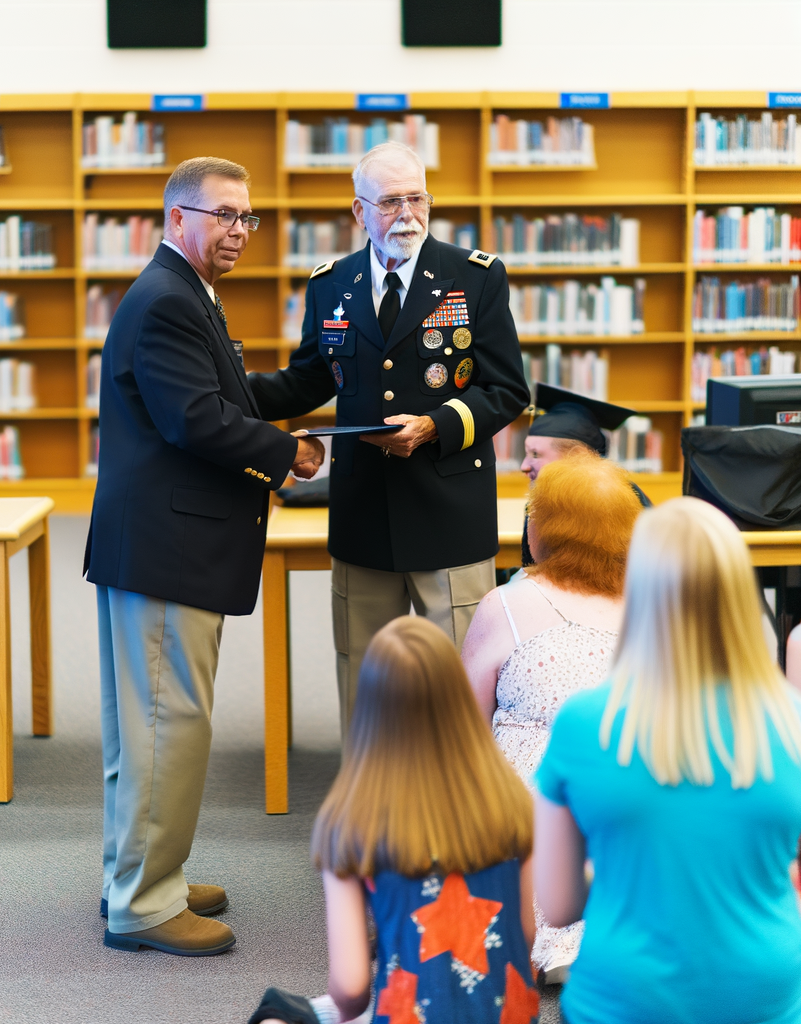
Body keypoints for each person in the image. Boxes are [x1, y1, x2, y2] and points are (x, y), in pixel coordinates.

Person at [83, 157, 324, 958]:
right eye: (224, 215)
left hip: (157, 544)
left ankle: (143, 873)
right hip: (165, 549)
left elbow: (229, 395)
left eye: (247, 217)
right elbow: (196, 421)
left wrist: (315, 380)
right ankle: (145, 905)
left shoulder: (183, 294)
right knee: (165, 725)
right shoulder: (166, 302)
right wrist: (282, 455)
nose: (239, 231)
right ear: (178, 217)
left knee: (147, 729)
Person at [249, 141, 529, 739]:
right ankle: (370, 805)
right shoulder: (331, 284)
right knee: (364, 672)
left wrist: (434, 426)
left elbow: (507, 390)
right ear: (359, 211)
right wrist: (223, 386)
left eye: (418, 198)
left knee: (461, 676)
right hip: (364, 510)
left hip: (448, 508)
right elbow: (309, 378)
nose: (408, 213)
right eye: (391, 201)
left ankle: (460, 807)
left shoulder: (474, 277)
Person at [535, 496, 801, 1024]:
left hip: (623, 995)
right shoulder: (791, 722)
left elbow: (559, 903)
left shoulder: (586, 722)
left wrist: (629, 864)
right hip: (762, 995)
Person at [249, 616, 538, 1024]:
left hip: (406, 1014)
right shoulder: (511, 801)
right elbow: (525, 935)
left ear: (370, 709)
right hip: (507, 1014)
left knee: (278, 1015)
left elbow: (350, 990)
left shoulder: (351, 822)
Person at [463, 452, 642, 983]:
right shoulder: (652, 606)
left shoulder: (508, 604)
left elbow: (465, 726)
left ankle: (539, 937)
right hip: (626, 796)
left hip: (527, 804)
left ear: (544, 528)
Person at [519, 383, 651, 567]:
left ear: (578, 456)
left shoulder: (625, 507)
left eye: (535, 454)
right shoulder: (541, 504)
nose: (523, 466)